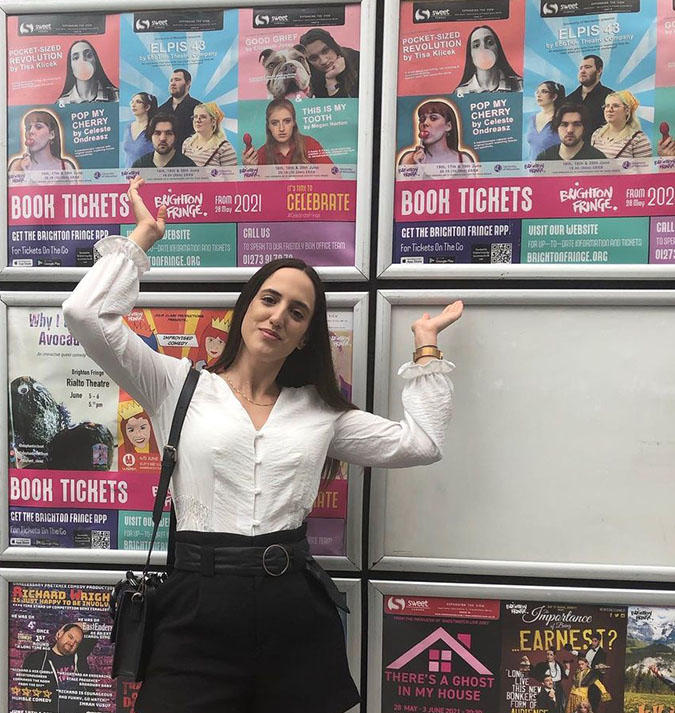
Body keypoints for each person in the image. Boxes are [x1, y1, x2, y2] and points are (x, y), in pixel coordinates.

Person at [62, 175, 463, 713]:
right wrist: (141, 239)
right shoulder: (173, 384)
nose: (278, 316)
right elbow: (85, 315)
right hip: (193, 610)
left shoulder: (320, 412)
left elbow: (420, 444)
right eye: (269, 300)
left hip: (292, 610)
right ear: (245, 307)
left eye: (297, 312)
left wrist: (427, 348)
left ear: (305, 335)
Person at [22, 622, 92, 713]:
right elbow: (26, 690)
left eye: (76, 643)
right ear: (60, 634)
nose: (72, 643)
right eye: (70, 637)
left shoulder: (79, 659)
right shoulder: (38, 658)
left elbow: (91, 627)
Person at [242, 98, 332, 165]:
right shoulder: (261, 154)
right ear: (268, 126)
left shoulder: (309, 144)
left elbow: (334, 175)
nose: (281, 128)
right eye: (275, 123)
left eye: (287, 121)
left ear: (294, 122)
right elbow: (254, 189)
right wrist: (250, 172)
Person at [399, 100, 476, 165]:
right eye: (422, 119)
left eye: (433, 118)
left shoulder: (464, 160)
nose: (425, 123)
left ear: (448, 126)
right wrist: (417, 167)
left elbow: (474, 183)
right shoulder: (408, 159)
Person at [455, 25, 522, 97]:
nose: (483, 48)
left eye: (490, 42)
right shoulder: (461, 92)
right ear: (471, 55)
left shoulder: (521, 85)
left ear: (497, 49)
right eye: (476, 45)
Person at [8, 110, 78, 173]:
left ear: (51, 134)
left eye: (38, 127)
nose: (31, 131)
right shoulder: (17, 165)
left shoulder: (66, 167)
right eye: (28, 128)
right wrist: (25, 173)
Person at [299, 28, 360, 98]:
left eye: (325, 51)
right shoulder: (311, 77)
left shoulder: (358, 60)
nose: (323, 61)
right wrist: (330, 79)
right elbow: (337, 106)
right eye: (314, 58)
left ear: (333, 46)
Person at [590, 91, 651, 158]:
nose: (609, 110)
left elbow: (645, 167)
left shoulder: (638, 139)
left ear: (627, 110)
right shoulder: (597, 134)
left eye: (615, 106)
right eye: (607, 106)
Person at [536, 103, 606, 161]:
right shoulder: (544, 159)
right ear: (557, 127)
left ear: (584, 128)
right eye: (564, 124)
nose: (570, 130)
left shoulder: (598, 158)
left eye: (576, 124)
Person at [58, 40, 118, 105]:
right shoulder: (62, 102)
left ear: (96, 62)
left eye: (88, 55)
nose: (82, 60)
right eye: (75, 58)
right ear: (71, 67)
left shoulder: (117, 96)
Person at [566, 55, 613, 136]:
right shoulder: (568, 100)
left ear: (599, 70)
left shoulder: (611, 97)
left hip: (600, 146)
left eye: (587, 67)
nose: (582, 71)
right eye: (581, 68)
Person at [181, 102, 237, 166]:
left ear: (213, 122)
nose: (197, 120)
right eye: (195, 116)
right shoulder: (187, 143)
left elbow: (233, 175)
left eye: (203, 117)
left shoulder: (224, 148)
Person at [157, 69, 201, 150]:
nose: (173, 83)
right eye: (171, 80)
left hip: (190, 156)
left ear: (188, 83)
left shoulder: (199, 108)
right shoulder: (160, 110)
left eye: (177, 80)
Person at [132, 114, 196, 168]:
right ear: (150, 136)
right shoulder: (139, 166)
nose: (163, 138)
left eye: (168, 133)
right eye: (157, 133)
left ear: (175, 136)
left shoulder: (189, 166)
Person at [526, 81, 566, 160]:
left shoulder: (562, 119)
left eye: (544, 91)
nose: (538, 95)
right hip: (532, 169)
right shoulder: (532, 118)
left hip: (553, 168)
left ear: (554, 96)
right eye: (537, 92)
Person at [122, 92, 158, 168]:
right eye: (132, 101)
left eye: (138, 102)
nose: (133, 105)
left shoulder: (154, 129)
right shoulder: (128, 127)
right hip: (128, 176)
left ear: (147, 107)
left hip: (147, 176)